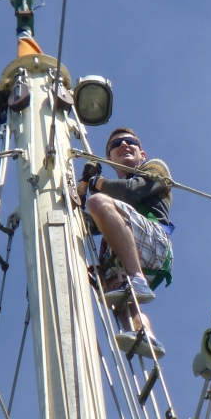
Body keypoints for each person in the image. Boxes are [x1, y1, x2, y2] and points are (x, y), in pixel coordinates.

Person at [77, 127, 173, 360]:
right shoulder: (113, 198)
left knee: (98, 203)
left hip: (154, 240)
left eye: (130, 141)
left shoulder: (155, 167)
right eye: (116, 144)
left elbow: (133, 191)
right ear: (109, 158)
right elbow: (88, 225)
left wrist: (98, 183)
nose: (124, 145)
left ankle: (137, 279)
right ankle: (143, 334)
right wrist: (82, 187)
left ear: (142, 154)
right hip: (129, 251)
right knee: (116, 291)